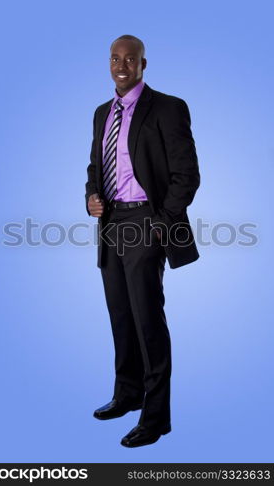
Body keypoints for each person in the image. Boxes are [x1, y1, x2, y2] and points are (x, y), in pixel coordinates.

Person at [85, 34, 200, 447]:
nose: (121, 65)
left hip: (146, 223)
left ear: (143, 64)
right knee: (121, 316)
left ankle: (156, 418)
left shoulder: (168, 108)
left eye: (130, 59)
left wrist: (161, 223)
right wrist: (91, 198)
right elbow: (95, 166)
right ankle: (128, 394)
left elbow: (187, 174)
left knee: (149, 321)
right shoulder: (102, 113)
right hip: (111, 224)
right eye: (115, 58)